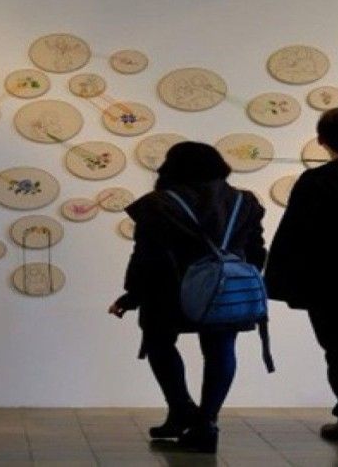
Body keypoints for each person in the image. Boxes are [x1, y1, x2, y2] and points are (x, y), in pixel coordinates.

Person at [109, 142, 267, 453]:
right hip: (223, 289)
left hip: (168, 289)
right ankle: (206, 423)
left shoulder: (157, 204)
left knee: (158, 343)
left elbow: (146, 256)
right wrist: (239, 280)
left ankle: (181, 408)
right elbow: (256, 250)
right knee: (220, 350)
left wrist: (132, 296)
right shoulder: (243, 201)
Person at [265, 107, 338, 442]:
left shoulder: (317, 181)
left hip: (334, 287)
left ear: (321, 141)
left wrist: (282, 284)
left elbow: (296, 236)